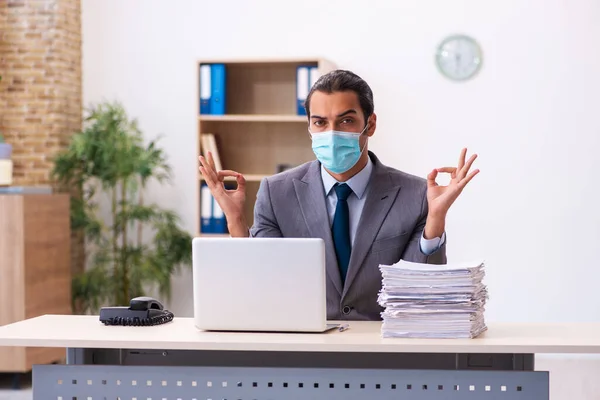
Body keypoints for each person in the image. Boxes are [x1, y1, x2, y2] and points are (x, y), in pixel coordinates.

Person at [198, 69, 479, 321]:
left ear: (370, 124)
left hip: (384, 350)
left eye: (345, 121)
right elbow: (262, 279)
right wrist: (235, 220)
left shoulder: (415, 194)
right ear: (309, 126)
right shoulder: (277, 192)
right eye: (320, 123)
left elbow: (420, 291)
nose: (331, 133)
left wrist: (436, 218)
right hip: (305, 349)